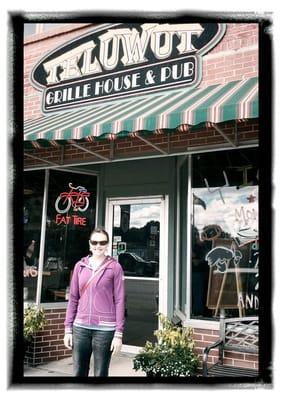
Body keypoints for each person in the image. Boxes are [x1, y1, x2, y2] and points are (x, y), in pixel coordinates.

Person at [63, 227, 125, 377]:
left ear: (107, 244)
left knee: (100, 372)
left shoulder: (115, 268)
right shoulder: (80, 266)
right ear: (90, 244)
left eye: (102, 242)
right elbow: (73, 298)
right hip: (80, 327)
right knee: (78, 372)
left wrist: (118, 334)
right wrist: (68, 329)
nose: (98, 245)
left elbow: (120, 300)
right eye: (95, 242)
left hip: (105, 330)